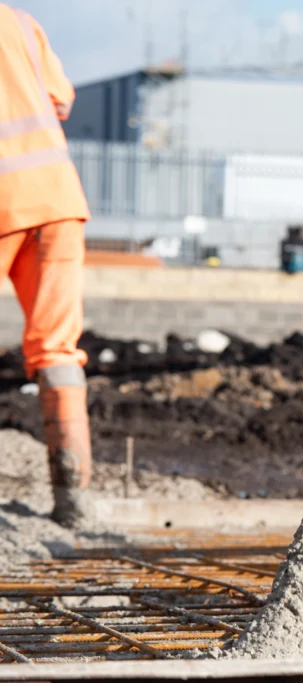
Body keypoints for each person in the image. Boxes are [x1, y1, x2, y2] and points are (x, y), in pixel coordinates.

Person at [0, 5, 93, 527]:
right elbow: (60, 99)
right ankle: (74, 500)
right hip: (56, 197)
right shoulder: (20, 22)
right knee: (57, 349)